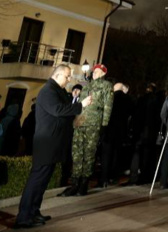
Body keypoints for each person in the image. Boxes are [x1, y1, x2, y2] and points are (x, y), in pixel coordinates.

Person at [14, 65, 92, 230]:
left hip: (54, 142)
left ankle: (34, 212)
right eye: (67, 76)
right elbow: (58, 110)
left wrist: (75, 115)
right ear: (57, 75)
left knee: (43, 181)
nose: (69, 79)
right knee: (36, 181)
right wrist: (80, 105)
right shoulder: (48, 90)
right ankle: (23, 217)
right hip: (46, 142)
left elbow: (64, 111)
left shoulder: (59, 91)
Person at [64, 63, 113, 196]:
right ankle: (75, 183)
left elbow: (108, 106)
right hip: (80, 122)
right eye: (94, 71)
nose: (94, 72)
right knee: (76, 152)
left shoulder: (106, 86)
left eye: (97, 71)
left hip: (93, 123)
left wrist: (103, 125)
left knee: (89, 154)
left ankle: (83, 184)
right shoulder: (87, 85)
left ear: (103, 73)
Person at [102, 83, 133, 187]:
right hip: (120, 131)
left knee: (106, 155)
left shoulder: (109, 97)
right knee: (117, 155)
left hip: (108, 130)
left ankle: (104, 178)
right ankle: (113, 177)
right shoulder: (128, 99)